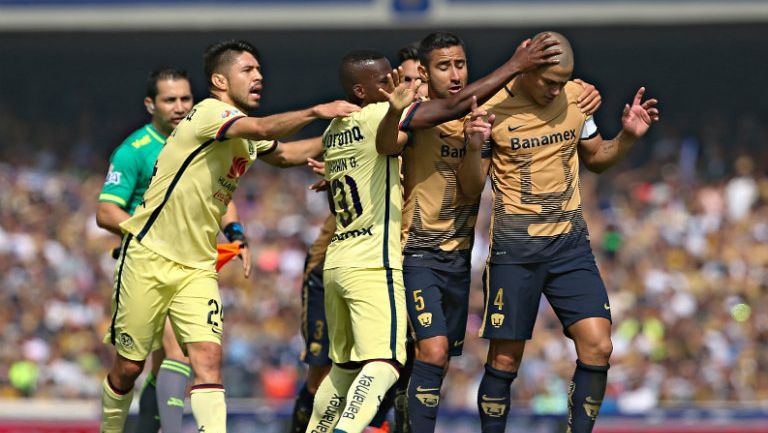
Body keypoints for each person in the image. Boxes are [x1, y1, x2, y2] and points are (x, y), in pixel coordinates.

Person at [99, 39, 359, 433]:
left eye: (259, 71)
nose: (259, 76)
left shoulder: (243, 133)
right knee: (128, 367)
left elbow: (286, 155)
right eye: (248, 70)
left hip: (197, 266)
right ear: (220, 80)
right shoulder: (207, 113)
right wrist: (316, 111)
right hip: (148, 255)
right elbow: (259, 126)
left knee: (206, 359)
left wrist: (353, 133)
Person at [376, 31, 599, 433]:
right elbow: (386, 142)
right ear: (425, 74)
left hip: (458, 256)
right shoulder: (420, 112)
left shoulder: (479, 113)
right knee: (432, 351)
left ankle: (396, 424)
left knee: (428, 362)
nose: (455, 73)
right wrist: (516, 64)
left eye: (460, 64)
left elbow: (472, 187)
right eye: (444, 66)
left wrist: (578, 96)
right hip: (415, 250)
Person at [463, 32, 659, 433]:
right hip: (515, 250)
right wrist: (471, 147)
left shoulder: (577, 98)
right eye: (549, 81)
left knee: (599, 346)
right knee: (504, 361)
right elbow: (469, 188)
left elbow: (598, 158)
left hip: (569, 246)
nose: (557, 89)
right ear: (528, 70)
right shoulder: (491, 109)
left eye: (562, 81)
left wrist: (627, 138)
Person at [97, 67, 250, 433]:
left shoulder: (202, 139)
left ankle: (159, 428)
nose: (180, 106)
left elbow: (220, 193)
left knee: (178, 354)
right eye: (170, 100)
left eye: (185, 98)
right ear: (151, 104)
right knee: (132, 366)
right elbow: (105, 211)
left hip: (190, 263)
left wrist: (235, 231)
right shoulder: (133, 151)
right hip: (145, 262)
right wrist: (152, 232)